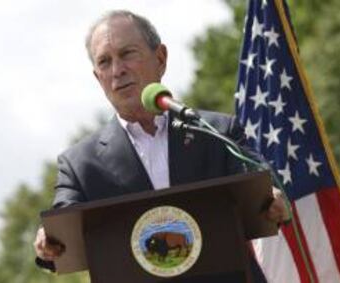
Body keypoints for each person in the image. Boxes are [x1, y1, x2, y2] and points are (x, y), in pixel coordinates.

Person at [33, 10, 289, 282]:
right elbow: (62, 228)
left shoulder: (216, 132)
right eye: (105, 62)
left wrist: (273, 200)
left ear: (160, 59)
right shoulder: (79, 165)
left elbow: (264, 192)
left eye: (127, 53)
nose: (117, 70)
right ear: (98, 78)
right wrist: (48, 240)